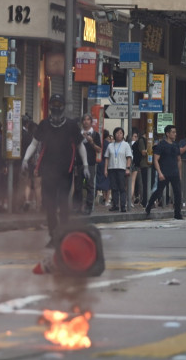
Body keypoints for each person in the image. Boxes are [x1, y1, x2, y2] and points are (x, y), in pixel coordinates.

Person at [22, 94, 89, 246]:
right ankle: (54, 235)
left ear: (64, 106)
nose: (56, 107)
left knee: (63, 203)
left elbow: (80, 146)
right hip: (48, 171)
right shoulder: (44, 125)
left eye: (59, 104)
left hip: (66, 170)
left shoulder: (71, 125)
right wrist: (25, 159)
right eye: (54, 104)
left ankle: (64, 235)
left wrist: (85, 165)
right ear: (50, 106)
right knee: (50, 204)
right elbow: (34, 144)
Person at [145, 125, 184, 219]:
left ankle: (177, 213)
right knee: (159, 191)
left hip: (174, 173)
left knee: (178, 193)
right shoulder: (161, 145)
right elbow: (155, 160)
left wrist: (179, 173)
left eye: (175, 132)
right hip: (164, 173)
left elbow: (179, 159)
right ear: (167, 133)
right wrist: (160, 173)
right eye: (173, 132)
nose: (175, 134)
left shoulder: (176, 145)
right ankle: (149, 206)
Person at [73, 113, 101, 215]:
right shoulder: (78, 134)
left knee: (90, 185)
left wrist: (91, 142)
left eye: (88, 120)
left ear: (91, 121)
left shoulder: (95, 134)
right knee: (78, 186)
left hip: (90, 164)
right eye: (84, 120)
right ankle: (78, 207)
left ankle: (89, 206)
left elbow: (99, 150)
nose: (86, 121)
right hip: (78, 163)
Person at [104, 127, 132, 212]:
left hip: (121, 168)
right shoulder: (110, 145)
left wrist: (127, 168)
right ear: (114, 134)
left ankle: (123, 206)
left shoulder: (125, 144)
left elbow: (129, 157)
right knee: (114, 187)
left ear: (123, 135)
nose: (118, 135)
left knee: (122, 188)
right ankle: (115, 205)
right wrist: (105, 169)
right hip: (112, 168)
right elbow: (107, 158)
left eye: (120, 133)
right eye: (117, 133)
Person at [133, 129, 149, 207]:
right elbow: (143, 152)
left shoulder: (148, 140)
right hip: (144, 164)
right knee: (145, 184)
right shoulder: (142, 140)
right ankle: (145, 201)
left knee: (148, 183)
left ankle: (146, 200)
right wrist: (151, 150)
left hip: (149, 164)